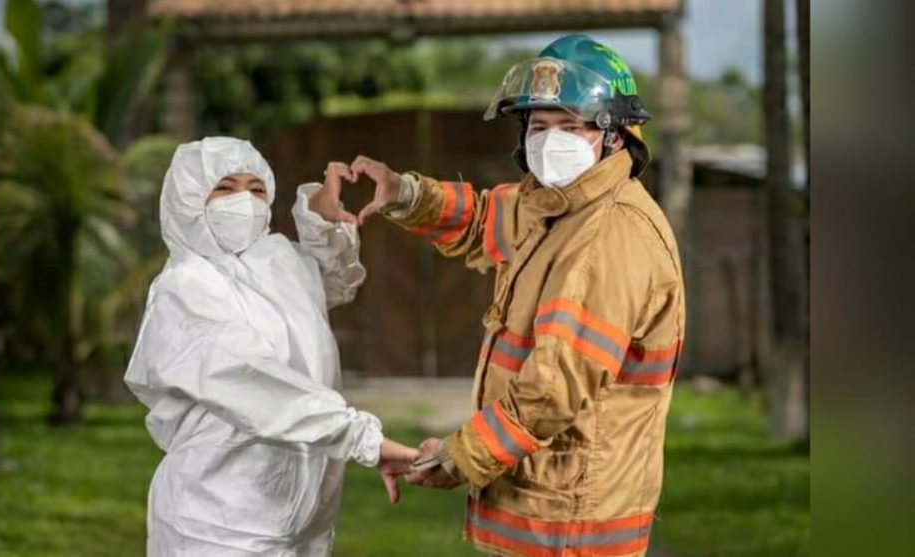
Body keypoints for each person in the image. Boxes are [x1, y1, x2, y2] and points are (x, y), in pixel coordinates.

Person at [349, 35, 686, 557]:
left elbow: (552, 390)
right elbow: (486, 217)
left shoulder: (607, 237)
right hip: (543, 514)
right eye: (539, 125)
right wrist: (405, 193)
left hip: (573, 525)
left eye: (570, 126)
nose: (550, 141)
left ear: (614, 137)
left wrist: (461, 457)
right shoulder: (559, 207)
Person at [124, 137, 418, 557]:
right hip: (217, 524)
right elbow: (254, 384)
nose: (244, 200)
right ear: (188, 200)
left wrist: (319, 218)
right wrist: (364, 439)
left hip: (302, 525)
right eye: (225, 187)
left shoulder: (276, 264)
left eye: (257, 188)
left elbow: (335, 281)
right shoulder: (186, 288)